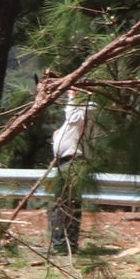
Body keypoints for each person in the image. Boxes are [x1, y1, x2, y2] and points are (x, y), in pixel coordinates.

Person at [46, 91, 95, 255]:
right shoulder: (78, 109)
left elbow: (74, 119)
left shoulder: (90, 107)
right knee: (63, 204)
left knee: (66, 205)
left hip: (73, 162)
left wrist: (72, 97)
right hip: (66, 162)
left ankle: (63, 246)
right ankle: (62, 244)